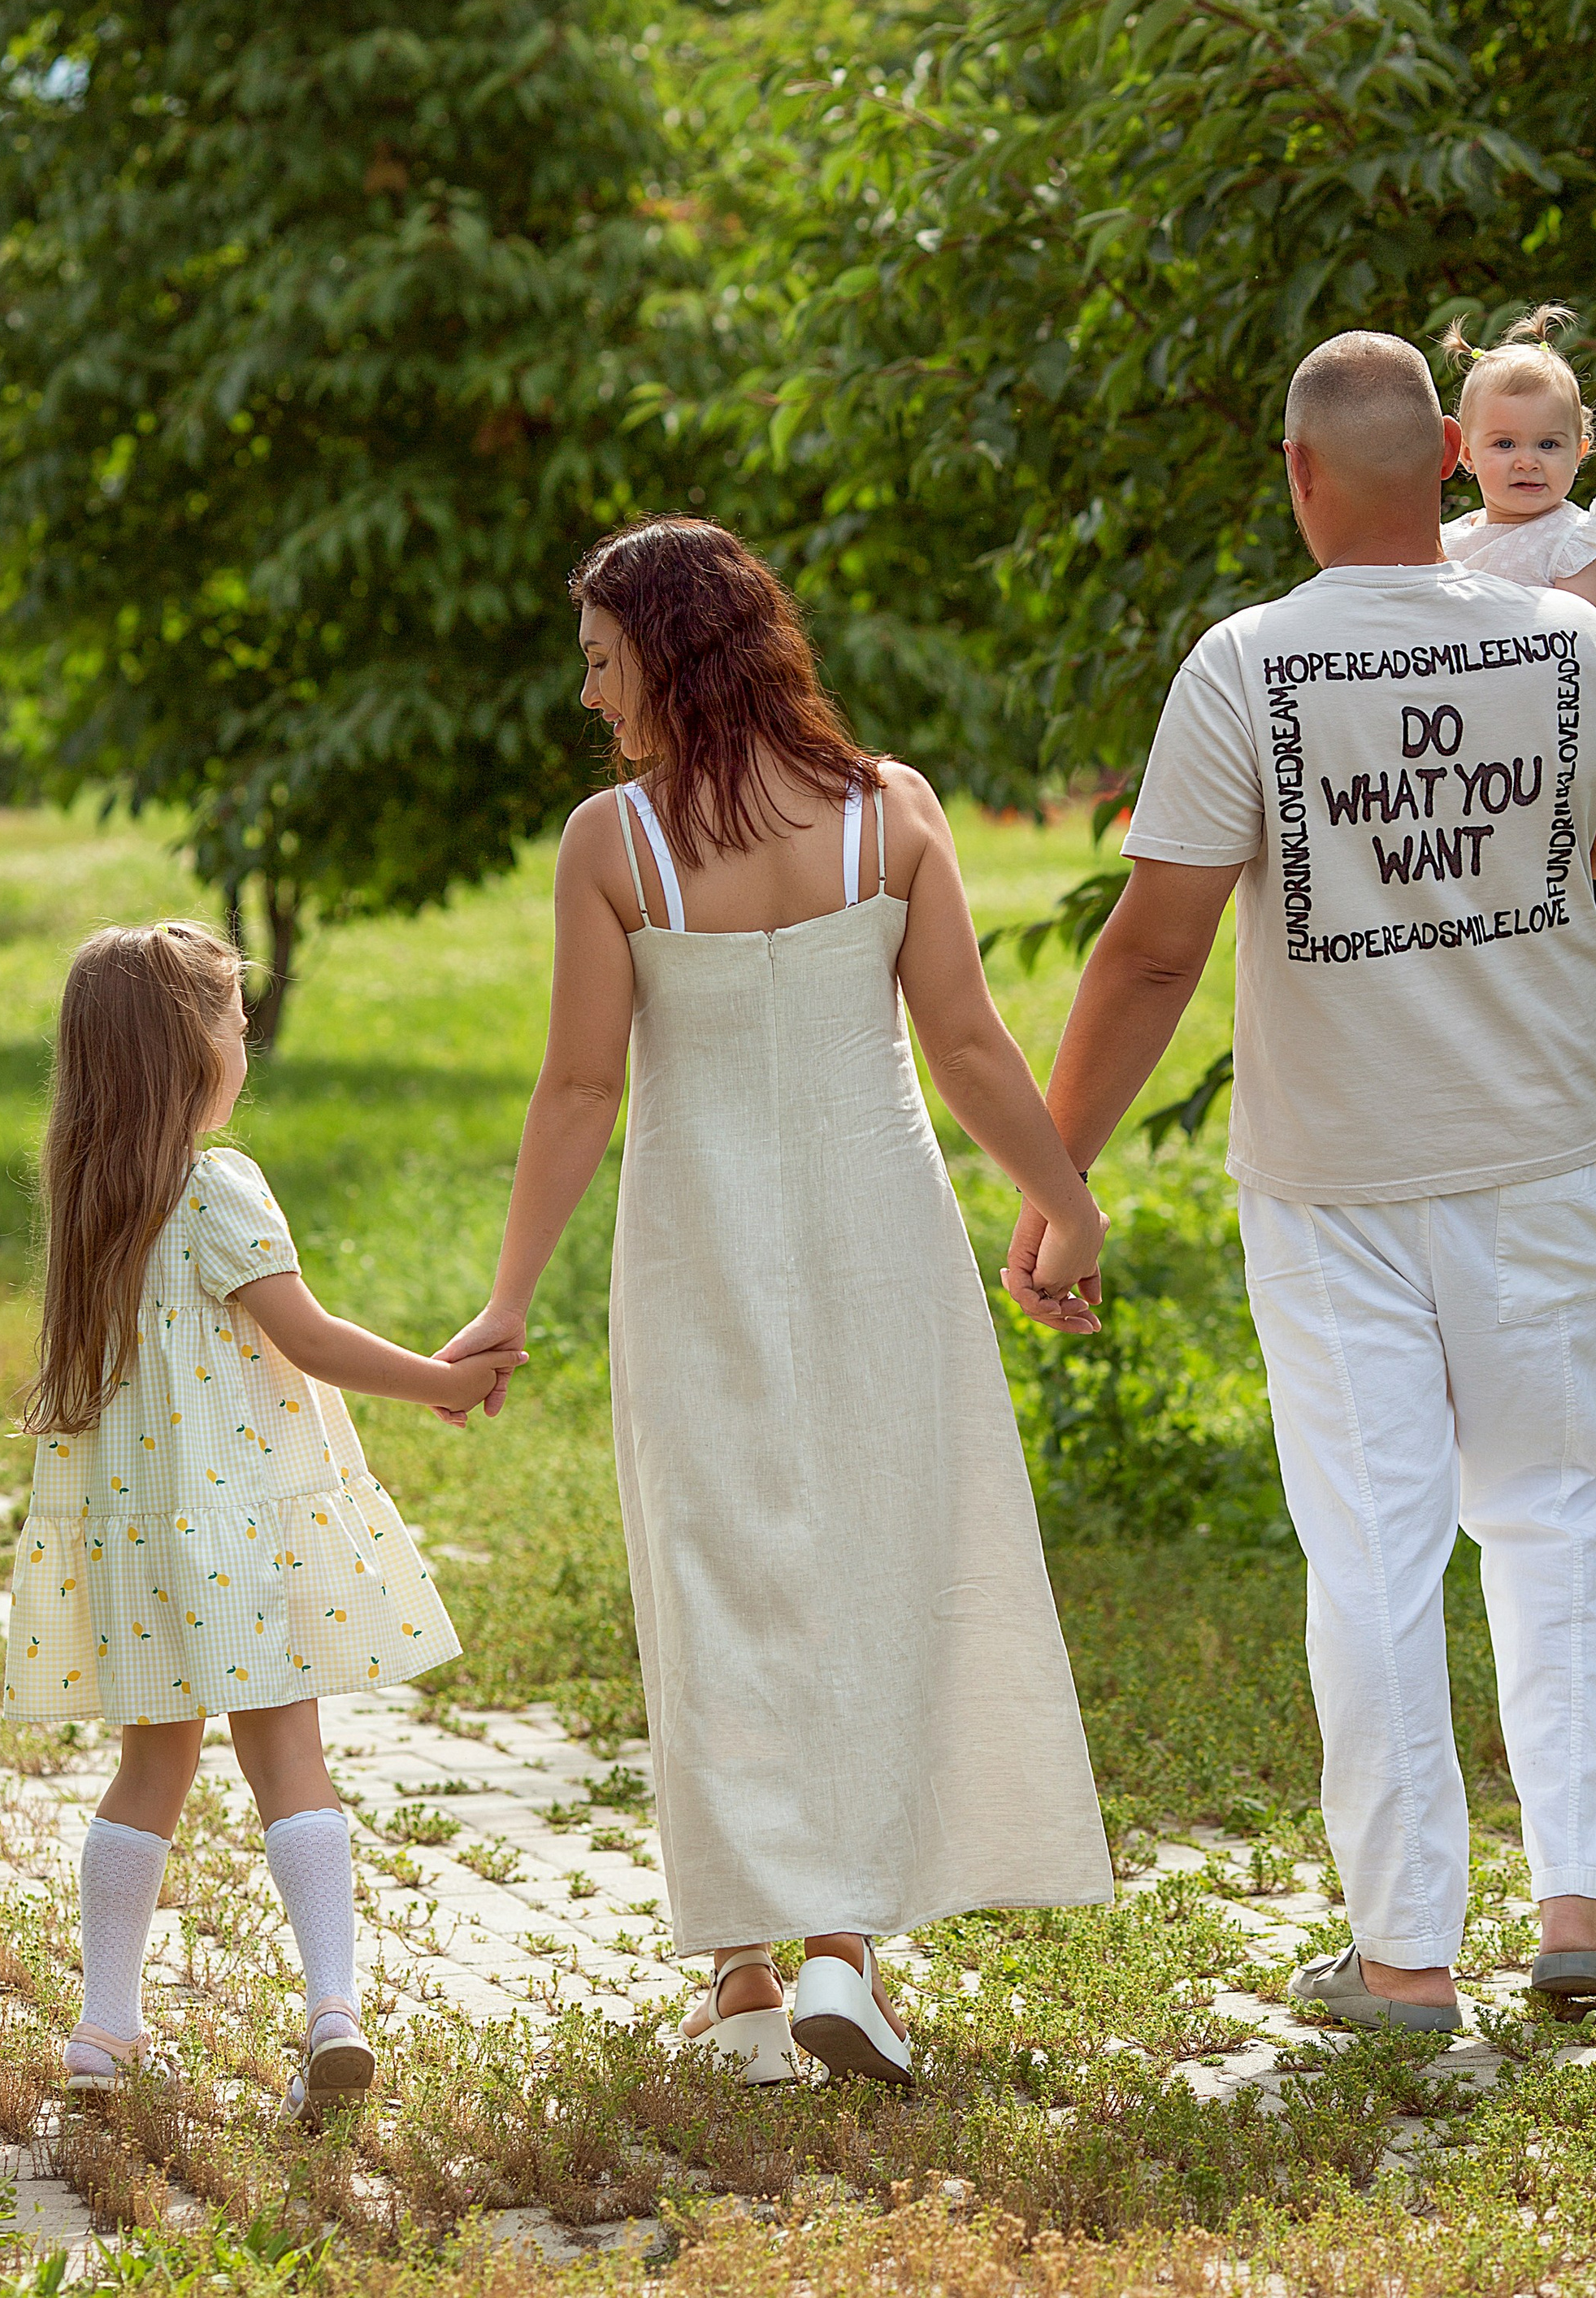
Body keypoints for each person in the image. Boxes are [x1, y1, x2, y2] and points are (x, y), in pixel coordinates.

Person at [1007, 331, 1596, 2031]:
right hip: (1544, 1156)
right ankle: (1577, 1910)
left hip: (1331, 1188)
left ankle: (1401, 1959)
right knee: (1557, 1518)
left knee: (1372, 1554)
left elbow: (1152, 953)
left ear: (1298, 474)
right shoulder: (1572, 640)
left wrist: (1051, 1169)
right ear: (1451, 452)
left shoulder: (1243, 663)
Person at [437, 515, 1114, 2090]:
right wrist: (1064, 1207)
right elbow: (963, 1046)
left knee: (717, 1574)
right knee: (877, 1564)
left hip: (700, 1254)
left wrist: (506, 1299)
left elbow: (579, 1084)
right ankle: (840, 1954)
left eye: (602, 663)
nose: (592, 698)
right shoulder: (890, 813)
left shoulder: (616, 842)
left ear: (663, 658)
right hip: (880, 1241)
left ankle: (746, 1975)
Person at [6, 921, 521, 2121]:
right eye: (236, 1018)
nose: (248, 1037)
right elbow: (311, 1339)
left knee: (147, 1772)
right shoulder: (217, 1186)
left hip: (134, 1547)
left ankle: (104, 2026)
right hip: (238, 1536)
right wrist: (446, 1381)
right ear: (194, 1050)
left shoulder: (90, 1200)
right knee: (291, 1759)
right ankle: (334, 2006)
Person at [1440, 305, 1596, 615]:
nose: (1527, 462)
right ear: (1467, 455)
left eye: (1547, 444)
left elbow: (1581, 641)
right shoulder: (1446, 543)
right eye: (1505, 443)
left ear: (1578, 453)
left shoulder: (1573, 544)